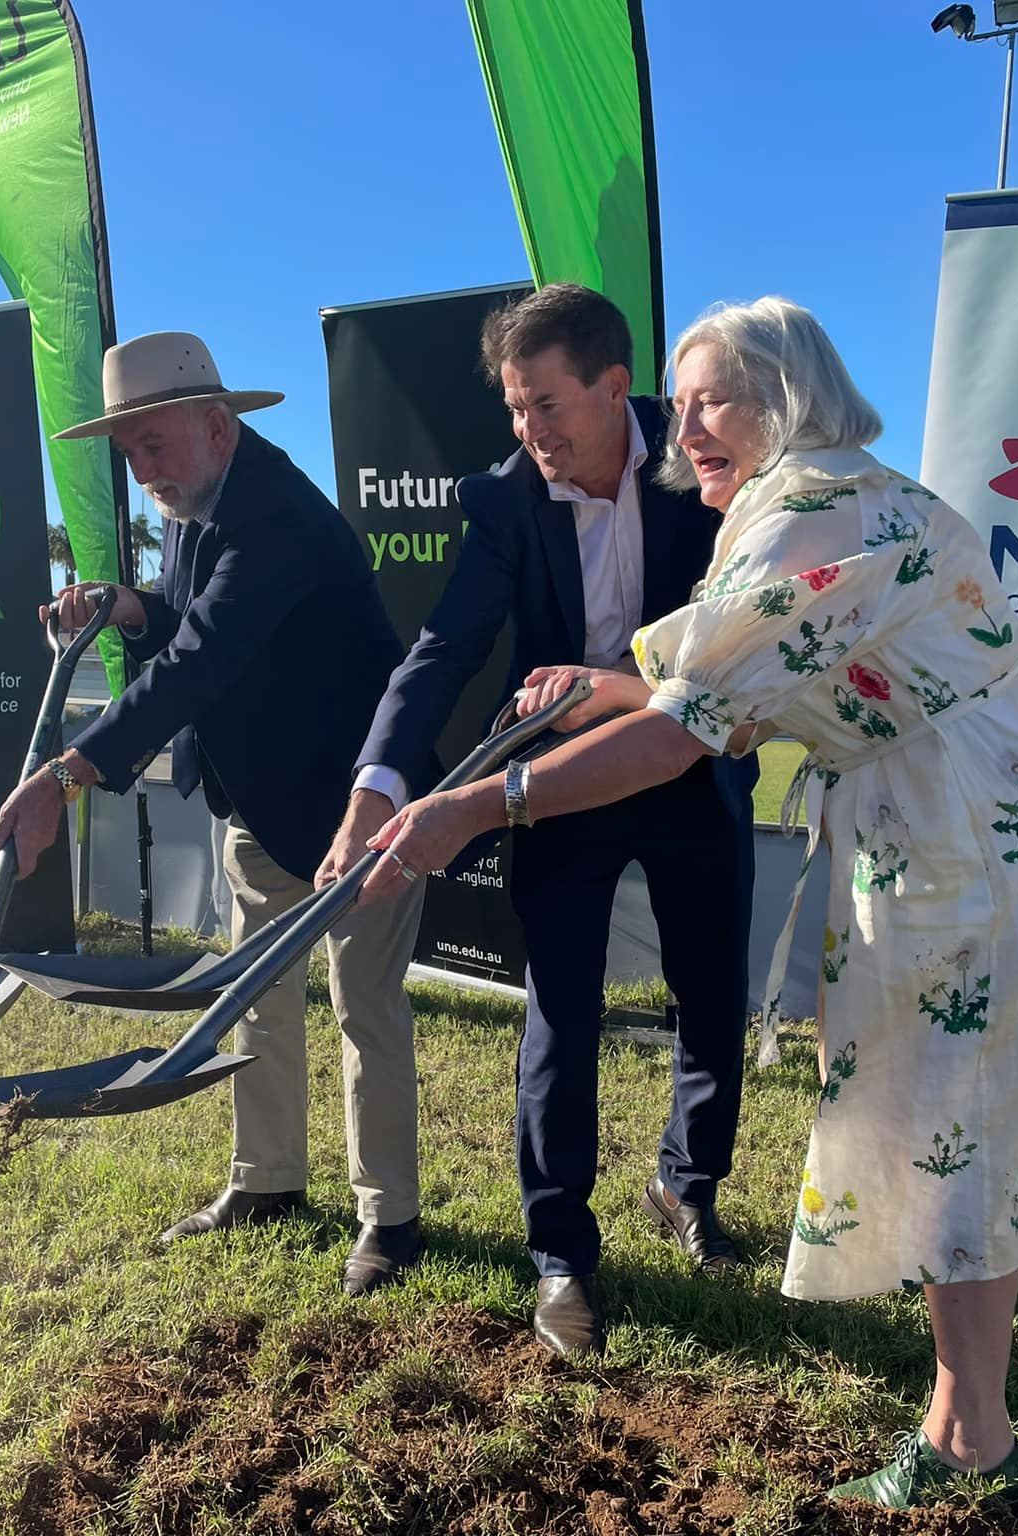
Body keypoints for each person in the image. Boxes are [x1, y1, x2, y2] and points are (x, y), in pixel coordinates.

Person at [357, 296, 1018, 1510]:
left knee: (949, 1097)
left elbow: (683, 736)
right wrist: (609, 684)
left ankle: (965, 1440)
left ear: (782, 396)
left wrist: (478, 804)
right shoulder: (826, 491)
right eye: (680, 404)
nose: (682, 432)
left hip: (971, 819)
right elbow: (747, 662)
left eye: (708, 402)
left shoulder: (801, 511)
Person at [319, 285, 760, 1359]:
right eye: (514, 409)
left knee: (710, 995)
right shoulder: (508, 499)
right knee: (560, 1010)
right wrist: (378, 784)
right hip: (563, 781)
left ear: (615, 387)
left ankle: (687, 1185)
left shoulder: (707, 464)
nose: (529, 432)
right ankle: (560, 1253)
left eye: (546, 405)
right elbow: (442, 651)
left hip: (692, 762)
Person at [0, 331, 429, 1296]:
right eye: (129, 450)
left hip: (357, 804)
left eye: (155, 442)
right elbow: (185, 617)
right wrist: (130, 607)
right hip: (256, 801)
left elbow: (200, 663)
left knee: (365, 1008)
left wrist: (64, 776)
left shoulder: (275, 515)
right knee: (252, 999)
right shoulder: (197, 499)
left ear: (218, 426)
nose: (142, 468)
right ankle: (265, 1183)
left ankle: (388, 1217)